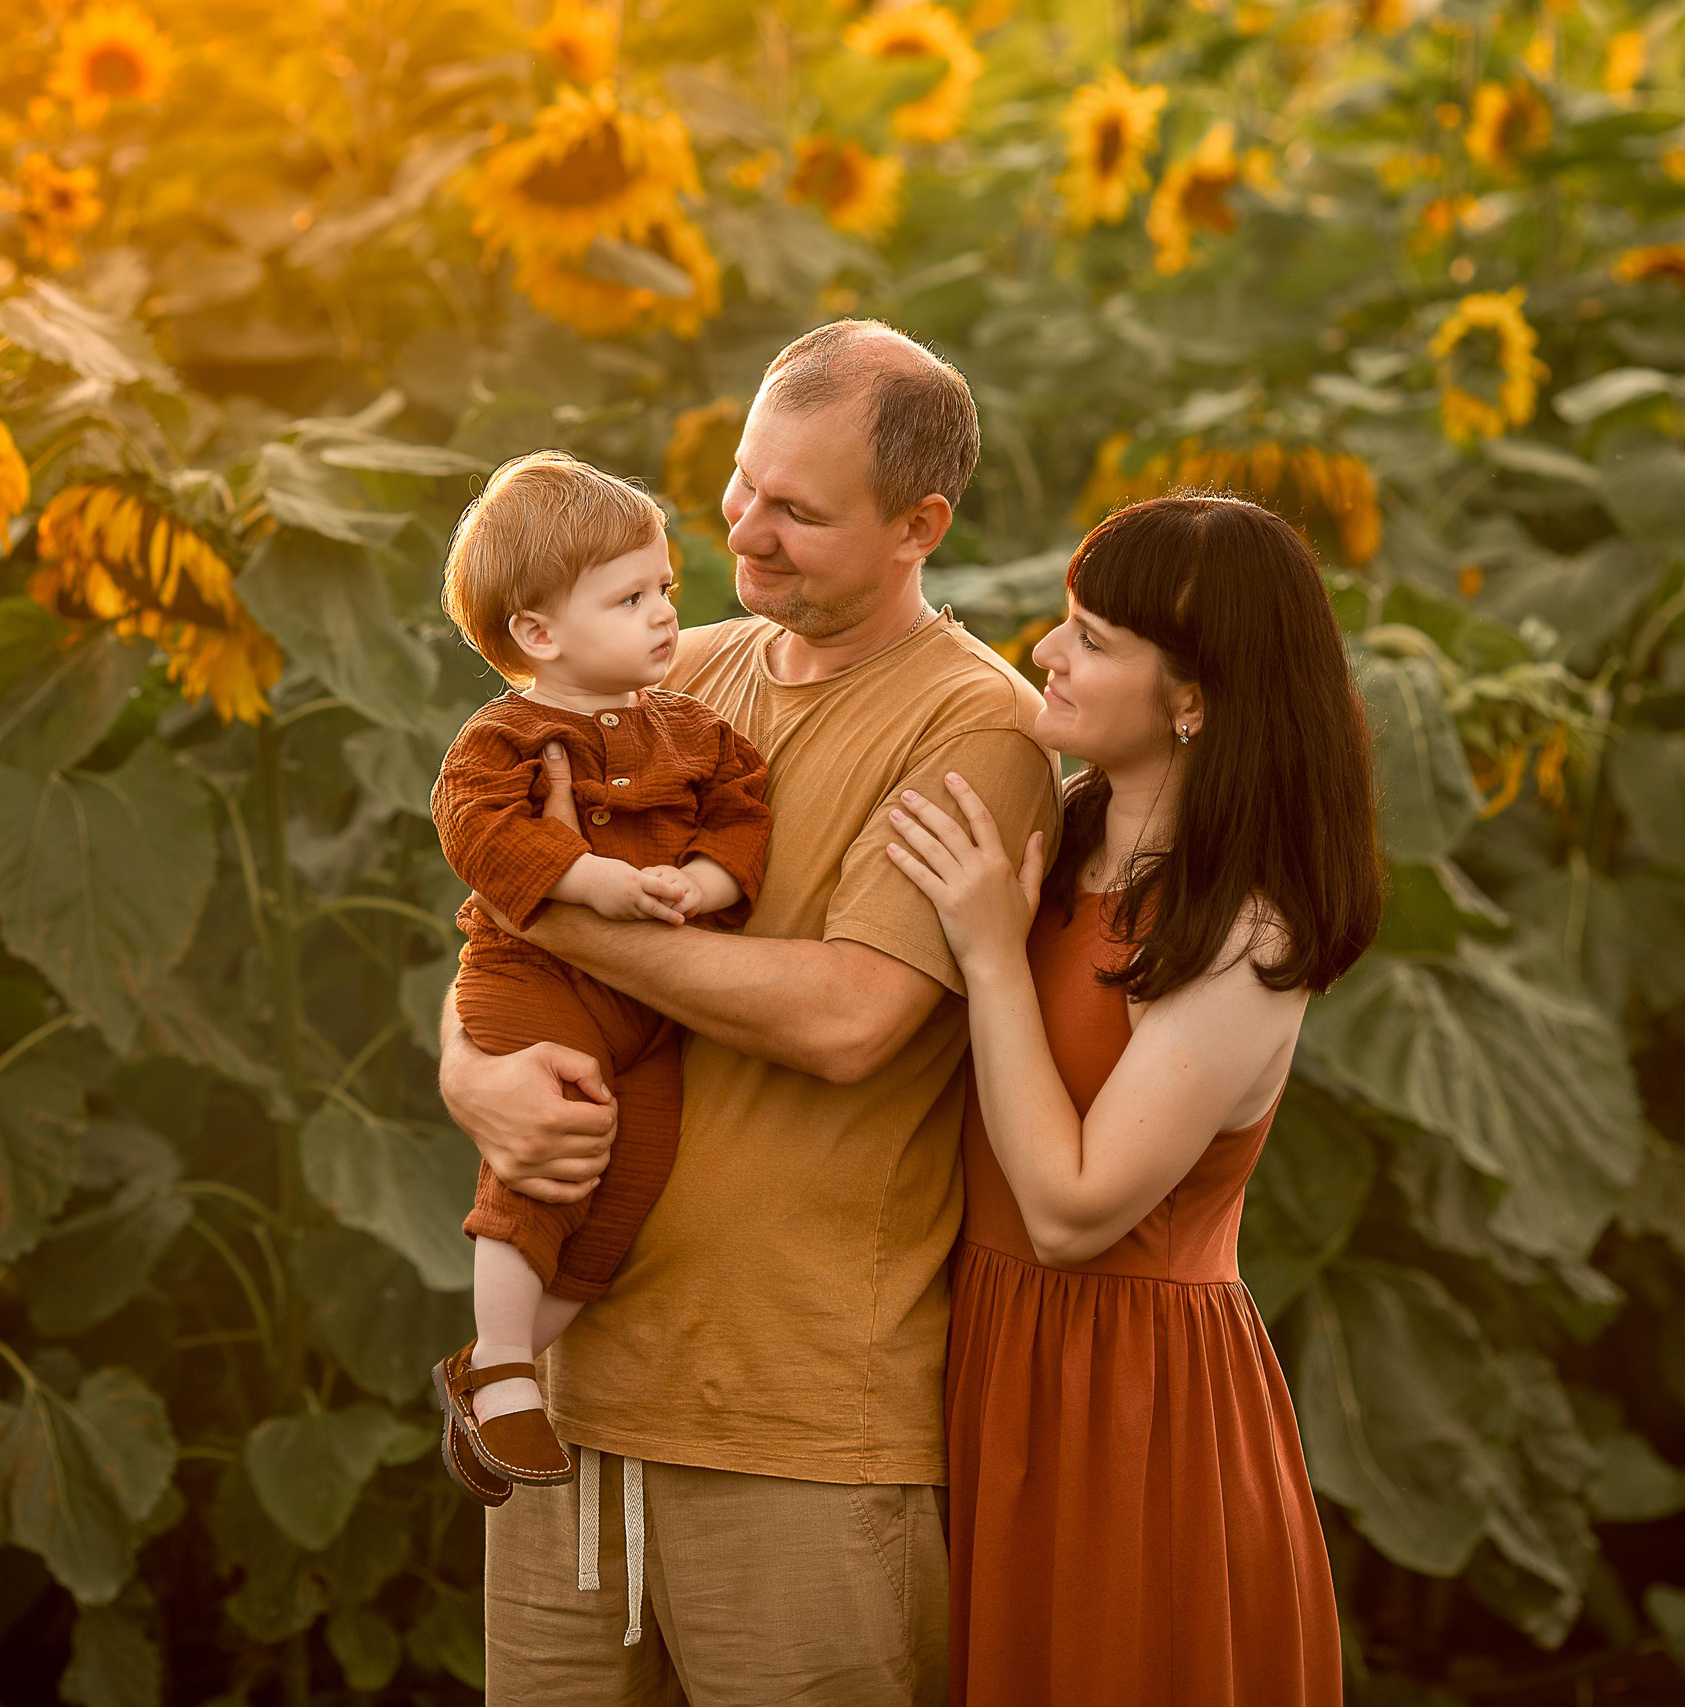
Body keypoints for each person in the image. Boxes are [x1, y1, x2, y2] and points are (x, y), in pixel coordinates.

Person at [439, 319, 1060, 1704]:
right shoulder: (670, 672)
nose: (748, 529)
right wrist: (470, 1076)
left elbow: (850, 1014)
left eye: (799, 509)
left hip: (799, 1424)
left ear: (921, 524)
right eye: (740, 482)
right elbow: (494, 920)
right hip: (570, 1394)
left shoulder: (975, 729)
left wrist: (568, 915)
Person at [880, 494, 1381, 1706]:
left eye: (1093, 637)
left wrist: (993, 956)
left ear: (1194, 699)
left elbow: (1071, 1209)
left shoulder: (1245, 930)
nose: (1047, 650)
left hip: (1131, 1413)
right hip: (994, 1363)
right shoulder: (1068, 836)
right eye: (1067, 618)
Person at [424, 451, 771, 1502]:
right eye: (630, 598)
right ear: (537, 633)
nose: (666, 613)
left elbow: (743, 808)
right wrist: (589, 881)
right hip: (530, 979)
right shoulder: (505, 737)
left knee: (625, 1183)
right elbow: (473, 830)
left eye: (664, 588)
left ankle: (497, 1366)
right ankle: (505, 1366)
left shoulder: (692, 727)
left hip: (646, 1016)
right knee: (544, 1167)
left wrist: (709, 886)